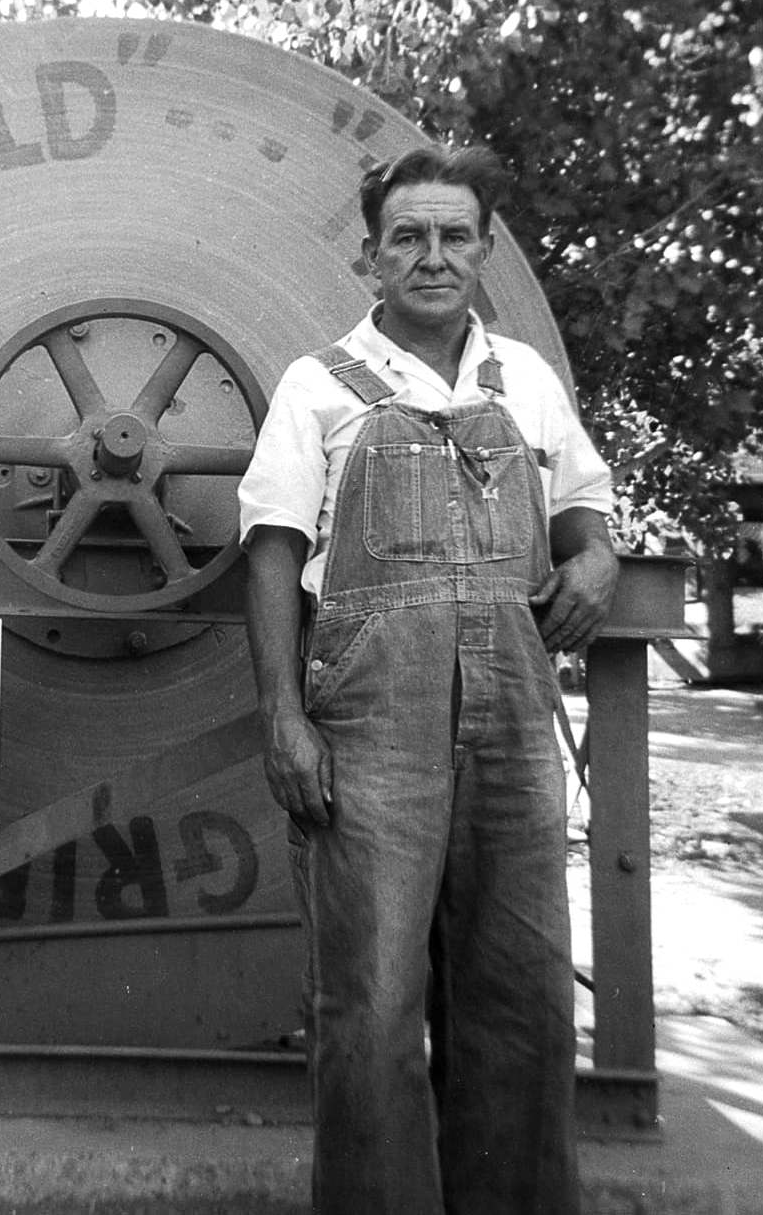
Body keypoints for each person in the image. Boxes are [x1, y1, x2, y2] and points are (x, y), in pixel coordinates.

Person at [238, 143, 619, 1214]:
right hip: (369, 718)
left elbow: (582, 508)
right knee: (369, 998)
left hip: (513, 716)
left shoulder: (527, 381)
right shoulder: (319, 385)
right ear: (371, 256)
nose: (433, 255)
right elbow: (270, 546)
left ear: (485, 249)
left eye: (455, 234)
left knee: (523, 986)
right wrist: (284, 719)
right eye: (408, 235)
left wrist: (595, 556)